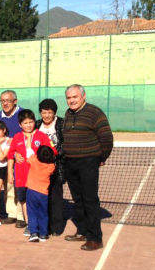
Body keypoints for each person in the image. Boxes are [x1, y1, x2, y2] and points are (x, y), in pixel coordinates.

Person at [62, 84, 114, 251]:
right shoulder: (68, 114)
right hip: (71, 162)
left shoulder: (95, 113)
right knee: (78, 200)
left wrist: (101, 157)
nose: (72, 100)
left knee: (90, 200)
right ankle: (83, 231)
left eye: (75, 97)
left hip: (88, 162)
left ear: (83, 96)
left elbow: (106, 137)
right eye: (69, 98)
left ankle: (95, 238)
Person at [6, 109, 54, 234]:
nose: (28, 125)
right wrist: (10, 173)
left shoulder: (42, 136)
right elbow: (10, 156)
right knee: (24, 201)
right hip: (21, 177)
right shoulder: (17, 137)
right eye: (25, 123)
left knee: (37, 202)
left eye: (31, 122)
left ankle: (40, 226)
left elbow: (52, 152)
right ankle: (29, 225)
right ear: (20, 125)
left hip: (37, 180)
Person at [0, 90, 24, 226]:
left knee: (20, 187)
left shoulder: (22, 114)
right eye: (2, 101)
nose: (5, 103)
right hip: (3, 160)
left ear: (15, 101)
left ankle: (22, 215)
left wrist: (16, 146)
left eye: (8, 100)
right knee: (8, 186)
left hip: (20, 158)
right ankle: (11, 214)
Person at [36, 99, 65, 236]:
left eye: (50, 112)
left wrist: (54, 155)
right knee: (42, 197)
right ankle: (44, 225)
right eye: (44, 112)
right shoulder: (36, 124)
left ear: (54, 113)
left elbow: (65, 144)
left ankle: (57, 226)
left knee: (56, 198)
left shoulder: (61, 124)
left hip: (56, 167)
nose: (47, 115)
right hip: (39, 169)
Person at [26, 145, 57, 242]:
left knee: (31, 213)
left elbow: (28, 151)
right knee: (43, 213)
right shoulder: (52, 167)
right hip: (43, 194)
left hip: (31, 192)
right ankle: (43, 234)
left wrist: (28, 138)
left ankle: (34, 233)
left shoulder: (34, 160)